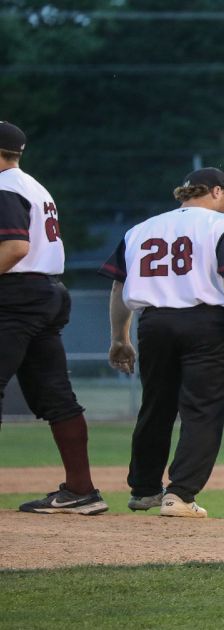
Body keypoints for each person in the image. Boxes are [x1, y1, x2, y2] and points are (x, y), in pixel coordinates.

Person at [98, 168, 224, 518]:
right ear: (216, 191)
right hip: (207, 322)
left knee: (156, 406)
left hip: (154, 323)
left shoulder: (140, 229)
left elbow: (118, 288)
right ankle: (180, 494)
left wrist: (119, 337)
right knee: (202, 409)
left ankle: (144, 490)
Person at [0, 121, 106, 515]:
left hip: (15, 293)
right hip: (46, 291)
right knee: (57, 397)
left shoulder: (5, 187)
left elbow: (13, 247)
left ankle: (81, 490)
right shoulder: (33, 185)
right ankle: (81, 489)